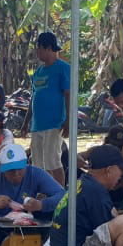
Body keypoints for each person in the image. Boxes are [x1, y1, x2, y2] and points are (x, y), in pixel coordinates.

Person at [30, 32, 72, 186]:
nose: (38, 52)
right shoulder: (38, 72)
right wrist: (27, 121)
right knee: (38, 164)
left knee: (53, 161)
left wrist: (68, 120)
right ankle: (44, 193)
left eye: (39, 49)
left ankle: (59, 195)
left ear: (48, 48)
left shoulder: (63, 68)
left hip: (54, 123)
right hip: (37, 124)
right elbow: (33, 98)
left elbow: (68, 95)